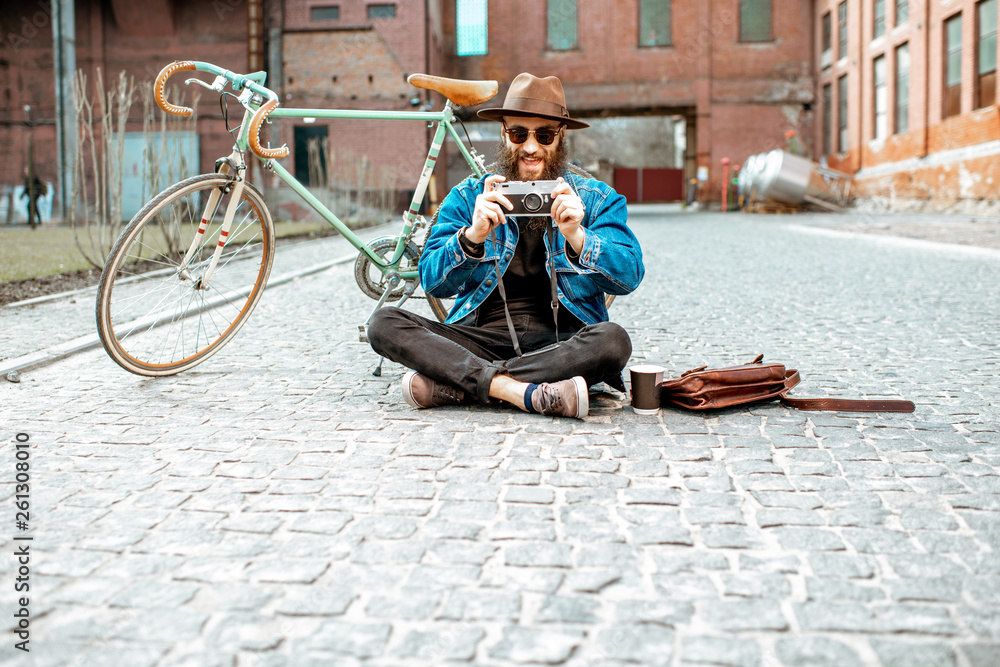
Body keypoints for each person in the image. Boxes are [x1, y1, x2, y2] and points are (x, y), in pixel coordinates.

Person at [367, 73, 644, 419]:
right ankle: (524, 392)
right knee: (383, 322)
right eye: (518, 133)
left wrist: (578, 236)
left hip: (560, 343)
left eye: (543, 134)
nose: (530, 146)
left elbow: (630, 275)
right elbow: (432, 281)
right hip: (480, 338)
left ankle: (462, 383)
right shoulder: (470, 196)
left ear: (560, 136)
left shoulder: (596, 199)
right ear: (504, 134)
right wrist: (472, 237)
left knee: (614, 341)